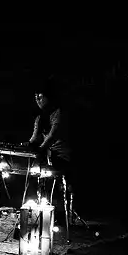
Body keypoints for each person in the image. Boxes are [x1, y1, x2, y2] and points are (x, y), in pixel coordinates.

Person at [27, 83, 75, 228]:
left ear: (49, 97)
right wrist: (25, 146)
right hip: (49, 155)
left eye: (41, 97)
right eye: (35, 97)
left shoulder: (58, 113)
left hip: (63, 156)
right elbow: (34, 138)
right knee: (33, 172)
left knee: (47, 176)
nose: (37, 100)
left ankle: (58, 214)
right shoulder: (39, 117)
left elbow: (52, 135)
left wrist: (40, 149)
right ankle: (38, 211)